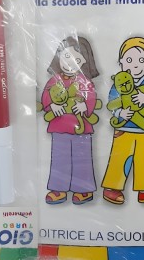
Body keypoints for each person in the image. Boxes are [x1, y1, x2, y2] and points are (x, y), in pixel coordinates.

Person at [102, 37, 144, 205]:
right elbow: (112, 102)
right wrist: (120, 113)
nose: (135, 65)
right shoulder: (118, 83)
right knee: (119, 158)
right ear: (121, 62)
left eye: (141, 60)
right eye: (129, 60)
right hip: (123, 129)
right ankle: (112, 187)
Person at [41, 36, 100, 205]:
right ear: (59, 57)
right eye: (66, 56)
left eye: (76, 59)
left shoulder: (85, 82)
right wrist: (51, 106)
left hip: (82, 128)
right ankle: (58, 188)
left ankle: (83, 189)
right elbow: (46, 96)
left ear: (84, 62)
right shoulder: (54, 81)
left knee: (83, 159)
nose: (70, 62)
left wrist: (85, 107)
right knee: (60, 159)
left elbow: (91, 97)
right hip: (59, 127)